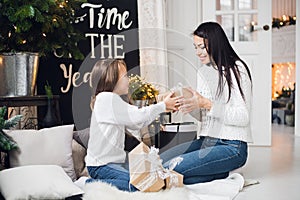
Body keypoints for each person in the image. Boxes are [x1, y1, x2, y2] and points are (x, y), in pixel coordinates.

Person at [160, 22, 253, 184]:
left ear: (216, 44)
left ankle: (221, 170)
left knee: (170, 167)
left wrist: (207, 104)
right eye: (195, 47)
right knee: (160, 161)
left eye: (202, 47)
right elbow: (204, 117)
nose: (198, 52)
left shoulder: (237, 69)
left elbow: (242, 117)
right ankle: (220, 173)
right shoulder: (202, 72)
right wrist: (187, 103)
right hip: (206, 141)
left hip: (232, 147)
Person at [85, 59, 182, 191]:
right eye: (124, 76)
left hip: (112, 164)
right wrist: (163, 106)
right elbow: (137, 117)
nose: (128, 80)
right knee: (142, 184)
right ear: (110, 79)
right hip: (101, 167)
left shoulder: (110, 99)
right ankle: (91, 184)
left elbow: (137, 124)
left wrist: (161, 106)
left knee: (149, 178)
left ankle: (98, 183)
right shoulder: (106, 98)